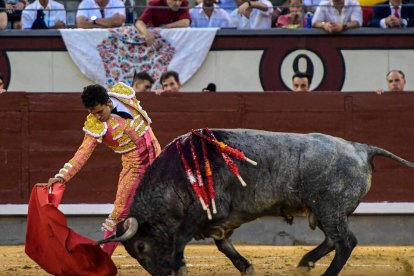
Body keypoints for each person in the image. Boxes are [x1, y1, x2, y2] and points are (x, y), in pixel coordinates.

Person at [47, 83, 161, 256]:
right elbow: (82, 154)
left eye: (99, 112)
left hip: (159, 158)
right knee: (119, 212)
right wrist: (62, 176)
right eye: (92, 113)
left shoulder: (123, 95)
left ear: (108, 103)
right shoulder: (95, 126)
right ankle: (104, 258)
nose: (97, 117)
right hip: (134, 168)